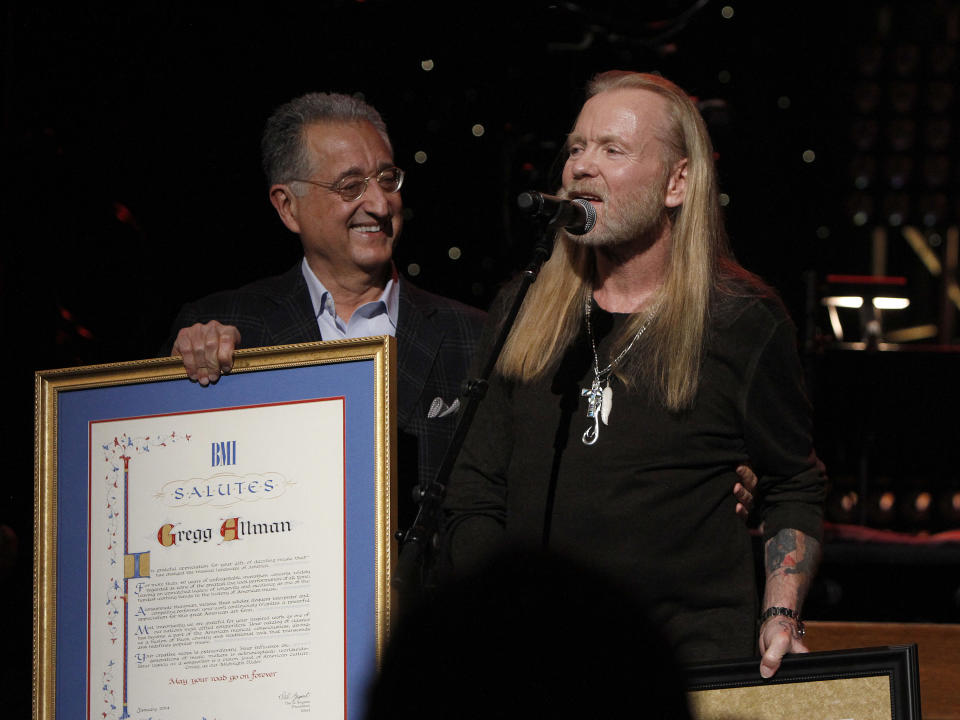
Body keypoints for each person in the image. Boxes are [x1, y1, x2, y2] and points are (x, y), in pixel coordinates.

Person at [440, 71, 826, 678]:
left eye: (611, 150)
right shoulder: (524, 306)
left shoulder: (740, 319)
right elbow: (473, 494)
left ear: (677, 182)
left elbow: (792, 484)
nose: (580, 168)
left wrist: (782, 614)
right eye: (575, 147)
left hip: (686, 668)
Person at [162, 92, 487, 530]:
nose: (379, 203)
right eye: (350, 186)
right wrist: (181, 378)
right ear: (288, 207)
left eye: (387, 179)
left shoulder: (473, 337)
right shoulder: (228, 330)